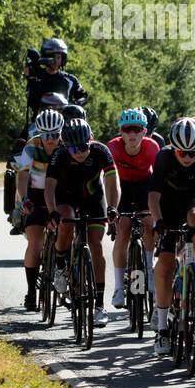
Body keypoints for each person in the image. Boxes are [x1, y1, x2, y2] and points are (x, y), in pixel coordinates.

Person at [148, 118, 195, 354]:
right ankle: (162, 331)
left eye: (193, 152)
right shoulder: (163, 157)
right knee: (165, 267)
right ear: (174, 147)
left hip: (193, 198)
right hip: (168, 205)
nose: (188, 157)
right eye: (183, 152)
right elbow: (153, 195)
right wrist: (159, 222)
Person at [45, 119, 119, 328]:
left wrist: (113, 207)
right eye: (74, 148)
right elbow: (49, 187)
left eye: (84, 146)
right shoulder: (59, 155)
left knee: (96, 245)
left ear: (91, 141)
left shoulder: (101, 151)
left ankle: (99, 305)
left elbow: (114, 183)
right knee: (66, 224)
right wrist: (52, 211)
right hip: (66, 197)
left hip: (94, 199)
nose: (80, 152)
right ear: (65, 146)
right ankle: (60, 266)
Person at [106, 109, 160, 309]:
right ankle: (119, 287)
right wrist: (110, 208)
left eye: (136, 129)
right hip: (122, 188)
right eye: (128, 129)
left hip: (145, 186)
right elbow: (108, 181)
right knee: (124, 228)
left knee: (148, 224)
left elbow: (159, 182)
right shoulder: (112, 148)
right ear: (121, 131)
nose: (132, 134)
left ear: (144, 131)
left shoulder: (152, 147)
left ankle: (149, 268)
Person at [12, 108, 64, 310]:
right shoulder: (31, 146)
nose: (50, 140)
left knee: (67, 232)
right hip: (35, 195)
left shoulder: (66, 146)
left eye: (55, 135)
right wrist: (24, 199)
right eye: (46, 135)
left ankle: (67, 270)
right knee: (35, 241)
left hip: (59, 195)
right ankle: (31, 291)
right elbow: (23, 175)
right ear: (39, 134)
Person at [23, 37, 87, 131]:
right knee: (21, 142)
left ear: (63, 59)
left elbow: (83, 96)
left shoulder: (70, 80)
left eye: (58, 57)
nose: (55, 60)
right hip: (39, 124)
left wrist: (73, 105)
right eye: (52, 57)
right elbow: (32, 101)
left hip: (64, 126)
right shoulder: (37, 77)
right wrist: (30, 76)